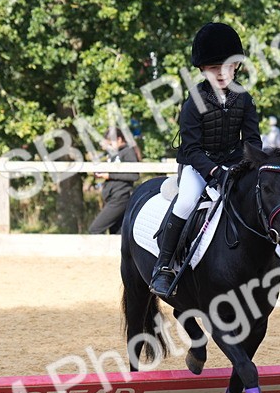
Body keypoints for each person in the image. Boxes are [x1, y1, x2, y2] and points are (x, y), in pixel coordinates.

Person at [150, 22, 261, 298]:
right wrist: (214, 172)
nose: (221, 74)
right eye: (214, 68)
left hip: (234, 163)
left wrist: (246, 166)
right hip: (198, 166)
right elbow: (190, 148)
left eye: (227, 67)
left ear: (236, 66)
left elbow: (252, 141)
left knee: (260, 195)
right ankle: (164, 267)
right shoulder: (193, 102)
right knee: (187, 201)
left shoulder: (244, 99)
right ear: (202, 70)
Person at [88, 127, 140, 235]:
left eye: (110, 143)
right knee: (117, 233)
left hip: (120, 197)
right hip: (112, 197)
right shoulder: (114, 154)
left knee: (95, 229)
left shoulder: (128, 151)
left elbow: (134, 175)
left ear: (119, 139)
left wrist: (109, 175)